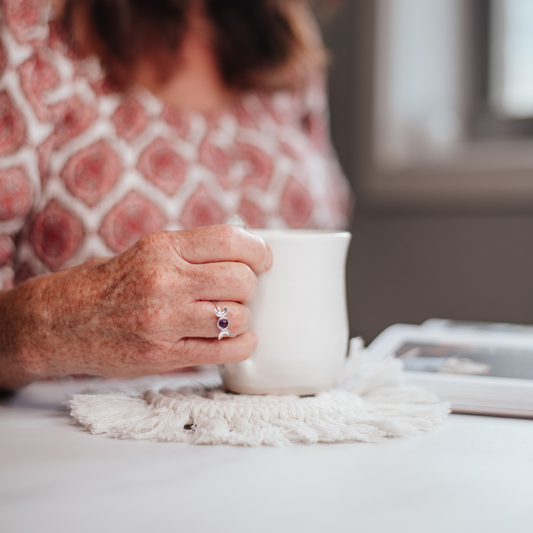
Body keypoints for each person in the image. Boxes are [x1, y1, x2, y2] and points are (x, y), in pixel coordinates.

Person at [0, 0, 351, 390]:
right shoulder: (28, 27)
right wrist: (49, 326)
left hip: (279, 436)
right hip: (72, 440)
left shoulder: (284, 36)